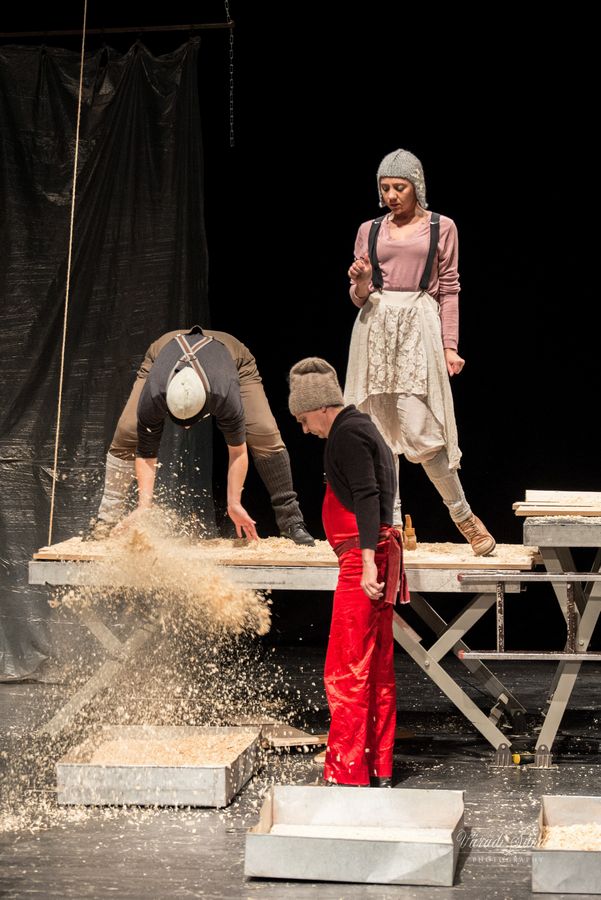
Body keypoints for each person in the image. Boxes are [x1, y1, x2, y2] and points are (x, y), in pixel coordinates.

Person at [345, 148, 495, 556]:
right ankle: (391, 528)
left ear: (417, 186)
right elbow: (359, 297)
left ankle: (464, 516)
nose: (391, 195)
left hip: (417, 326)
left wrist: (450, 346)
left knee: (422, 429)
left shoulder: (441, 227)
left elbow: (449, 289)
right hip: (375, 329)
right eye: (385, 188)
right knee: (377, 432)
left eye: (400, 187)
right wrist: (361, 280)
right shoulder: (369, 229)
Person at [289, 357, 408, 787]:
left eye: (303, 420)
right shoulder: (360, 428)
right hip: (368, 554)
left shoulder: (348, 434)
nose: (305, 429)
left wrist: (368, 561)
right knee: (374, 669)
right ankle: (376, 766)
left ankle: (347, 772)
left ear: (320, 407)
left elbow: (367, 494)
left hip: (363, 558)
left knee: (347, 668)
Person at [94, 326, 314, 544]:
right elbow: (146, 454)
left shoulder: (224, 394)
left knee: (263, 432)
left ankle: (291, 521)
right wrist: (144, 507)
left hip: (232, 354)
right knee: (128, 429)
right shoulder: (154, 394)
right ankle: (106, 521)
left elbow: (238, 452)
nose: (186, 429)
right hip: (166, 348)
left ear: (208, 405)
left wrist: (234, 503)